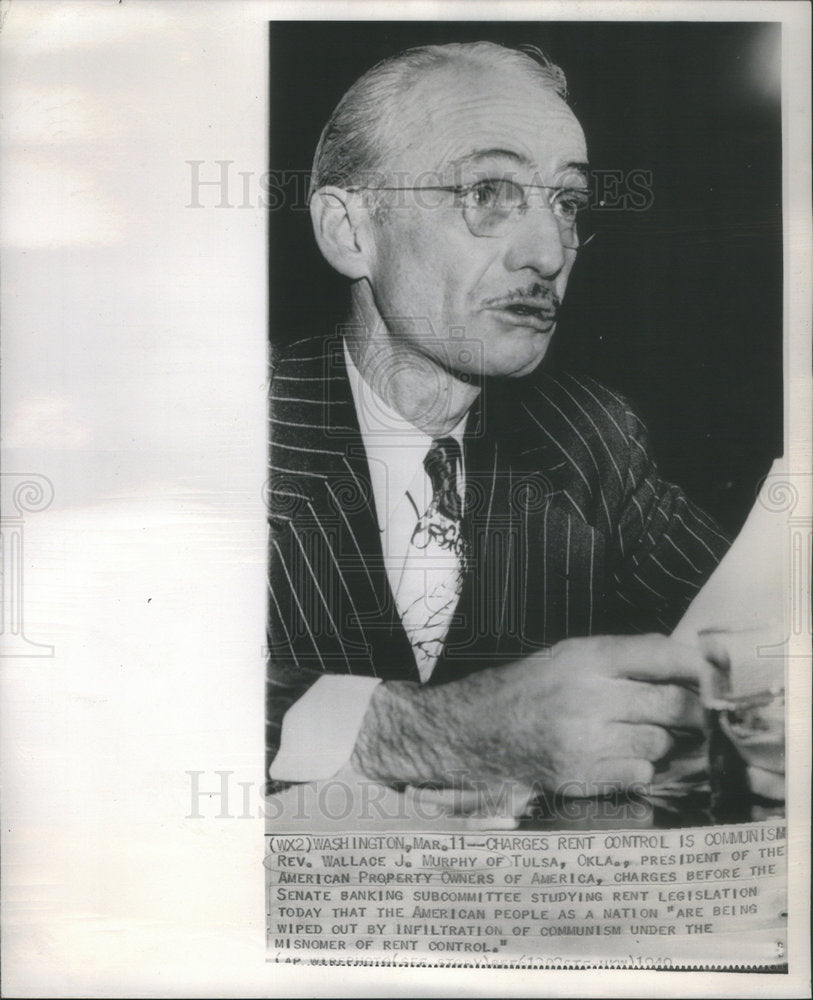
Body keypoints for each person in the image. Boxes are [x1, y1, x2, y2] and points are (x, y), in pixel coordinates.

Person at [266, 42, 731, 815]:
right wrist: (427, 729)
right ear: (350, 231)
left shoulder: (588, 438)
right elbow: (122, 700)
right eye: (488, 191)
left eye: (567, 203)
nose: (549, 253)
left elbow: (742, 633)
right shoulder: (227, 433)